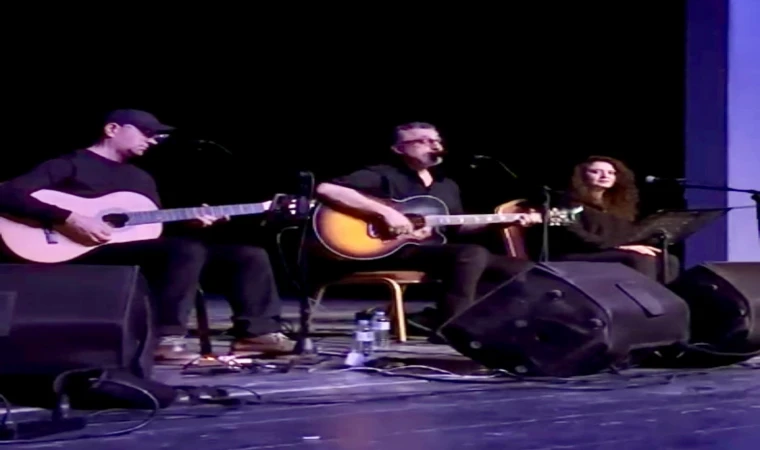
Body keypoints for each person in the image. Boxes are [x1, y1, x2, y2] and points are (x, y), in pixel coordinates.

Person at [0, 109, 295, 361]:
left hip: (126, 248)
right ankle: (165, 337)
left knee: (247, 255)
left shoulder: (140, 178)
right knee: (185, 250)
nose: (152, 140)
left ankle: (258, 333)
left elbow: (147, 228)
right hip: (75, 250)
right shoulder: (69, 164)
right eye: (146, 132)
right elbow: (7, 194)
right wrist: (70, 218)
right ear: (112, 129)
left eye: (156, 136)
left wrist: (190, 223)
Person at [314, 122, 541, 333]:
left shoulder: (446, 185)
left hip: (429, 252)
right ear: (399, 149)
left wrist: (503, 221)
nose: (434, 146)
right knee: (471, 254)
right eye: (422, 141)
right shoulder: (382, 174)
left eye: (436, 141)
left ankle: (432, 320)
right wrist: (387, 213)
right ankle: (451, 327)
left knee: (523, 270)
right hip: (385, 250)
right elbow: (327, 189)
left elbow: (456, 228)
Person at [544, 155, 680, 283]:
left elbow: (626, 234)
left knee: (669, 260)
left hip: (609, 250)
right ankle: (641, 297)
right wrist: (617, 246)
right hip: (578, 253)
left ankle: (660, 298)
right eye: (596, 172)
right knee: (639, 258)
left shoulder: (619, 206)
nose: (605, 176)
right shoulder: (565, 201)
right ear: (581, 176)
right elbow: (569, 233)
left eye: (611, 173)